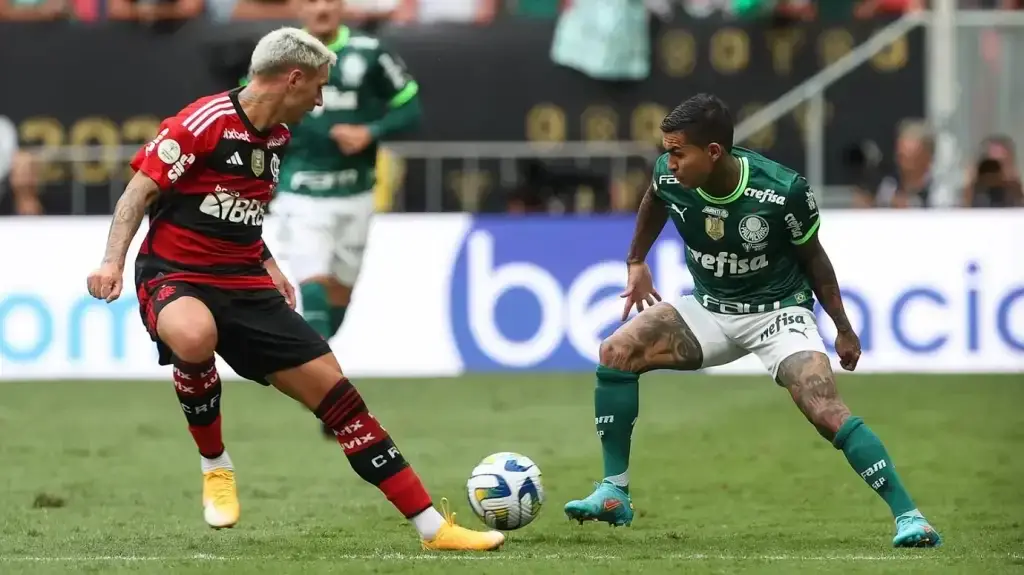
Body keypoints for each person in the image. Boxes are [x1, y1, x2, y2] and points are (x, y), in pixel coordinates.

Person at [85, 27, 504, 552]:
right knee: (194, 337)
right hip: (176, 274)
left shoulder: (278, 138)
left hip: (247, 282)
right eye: (320, 87)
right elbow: (138, 192)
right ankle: (215, 465)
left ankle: (432, 529)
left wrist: (270, 264)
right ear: (294, 78)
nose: (322, 100)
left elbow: (240, 212)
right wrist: (111, 262)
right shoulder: (202, 123)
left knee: (341, 399)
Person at [562, 94, 942, 549]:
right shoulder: (670, 175)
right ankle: (614, 491)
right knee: (615, 352)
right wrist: (636, 261)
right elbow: (654, 199)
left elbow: (815, 260)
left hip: (778, 314)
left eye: (679, 152)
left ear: (714, 152)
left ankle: (911, 517)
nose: (669, 162)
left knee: (826, 410)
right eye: (666, 150)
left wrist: (842, 326)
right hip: (711, 308)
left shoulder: (782, 191)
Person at [262, 0, 423, 438]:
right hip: (302, 193)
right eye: (312, 0)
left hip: (357, 194)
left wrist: (370, 132)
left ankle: (297, 371)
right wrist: (323, 131)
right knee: (313, 294)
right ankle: (336, 406)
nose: (322, 7)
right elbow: (254, 104)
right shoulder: (278, 53)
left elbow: (411, 104)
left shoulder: (371, 53)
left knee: (336, 305)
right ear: (298, 7)